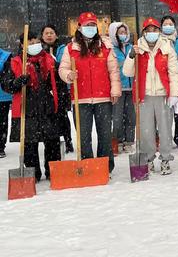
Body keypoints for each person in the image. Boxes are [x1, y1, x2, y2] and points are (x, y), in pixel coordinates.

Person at [59, 12, 121, 173]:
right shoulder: (71, 48)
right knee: (84, 136)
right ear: (79, 27)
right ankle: (88, 167)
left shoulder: (105, 45)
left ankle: (105, 166)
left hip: (103, 97)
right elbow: (63, 69)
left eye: (93, 25)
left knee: (105, 135)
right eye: (87, 25)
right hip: (81, 99)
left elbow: (113, 71)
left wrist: (115, 90)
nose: (90, 28)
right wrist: (68, 75)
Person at [1, 31, 61, 181]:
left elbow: (58, 81)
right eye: (31, 42)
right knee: (29, 143)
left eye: (36, 42)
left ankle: (53, 170)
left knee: (52, 140)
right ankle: (32, 173)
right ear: (22, 45)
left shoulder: (48, 59)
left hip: (46, 105)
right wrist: (17, 82)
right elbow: (5, 84)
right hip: (27, 107)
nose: (34, 45)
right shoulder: (15, 61)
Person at [123, 17, 178, 174]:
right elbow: (127, 72)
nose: (151, 33)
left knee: (165, 129)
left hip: (163, 95)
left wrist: (174, 94)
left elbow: (174, 72)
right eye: (148, 30)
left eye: (154, 30)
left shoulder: (167, 47)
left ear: (159, 31)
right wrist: (131, 57)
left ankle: (165, 159)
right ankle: (148, 159)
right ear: (143, 32)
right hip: (144, 95)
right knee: (146, 131)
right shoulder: (137, 48)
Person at [40, 24, 73, 153]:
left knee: (63, 115)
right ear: (42, 36)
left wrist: (56, 64)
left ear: (56, 35)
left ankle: (68, 140)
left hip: (60, 86)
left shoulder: (62, 48)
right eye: (46, 33)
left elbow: (66, 65)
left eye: (51, 33)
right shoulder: (39, 50)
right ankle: (51, 142)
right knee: (48, 116)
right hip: (45, 87)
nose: (49, 35)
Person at [160, 15, 178, 149]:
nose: (168, 26)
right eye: (165, 24)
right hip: (163, 80)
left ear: (175, 26)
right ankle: (164, 138)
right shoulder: (158, 41)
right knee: (164, 112)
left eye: (170, 24)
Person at [108, 22, 135, 153]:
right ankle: (117, 141)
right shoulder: (111, 49)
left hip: (131, 88)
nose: (123, 35)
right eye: (120, 33)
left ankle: (129, 141)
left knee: (131, 116)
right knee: (117, 118)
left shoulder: (131, 47)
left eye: (125, 32)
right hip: (119, 88)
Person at [0, 47, 12, 158]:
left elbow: (7, 75)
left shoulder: (6, 56)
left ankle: (0, 146)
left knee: (2, 121)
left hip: (3, 95)